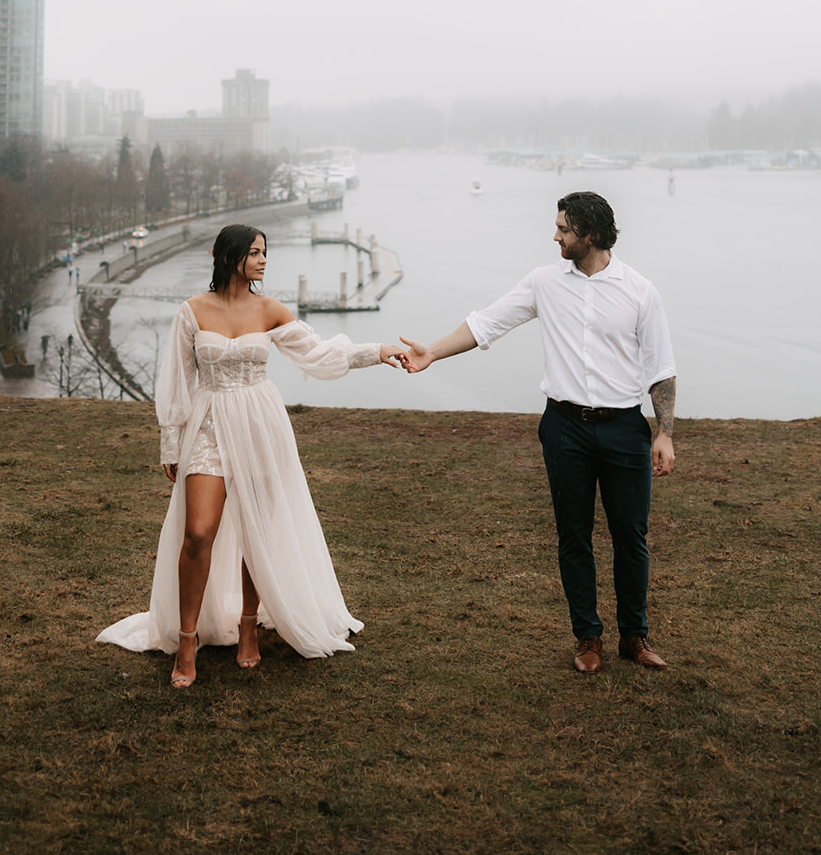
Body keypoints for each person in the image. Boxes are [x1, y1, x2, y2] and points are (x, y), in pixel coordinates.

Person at [97, 223, 405, 686]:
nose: (264, 261)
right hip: (208, 425)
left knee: (256, 529)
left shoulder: (269, 309)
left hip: (260, 424)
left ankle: (247, 624)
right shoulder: (192, 311)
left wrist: (377, 351)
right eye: (256, 253)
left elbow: (318, 355)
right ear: (228, 255)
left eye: (266, 252)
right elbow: (177, 381)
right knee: (198, 532)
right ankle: (186, 638)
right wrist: (170, 441)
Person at [400, 191, 676, 674]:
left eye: (564, 229)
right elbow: (487, 322)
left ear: (589, 234)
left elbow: (661, 370)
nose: (556, 236)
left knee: (631, 536)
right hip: (564, 427)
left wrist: (664, 433)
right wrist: (433, 353)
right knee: (573, 536)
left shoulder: (639, 290)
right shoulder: (544, 282)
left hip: (624, 430)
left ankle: (635, 636)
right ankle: (587, 637)